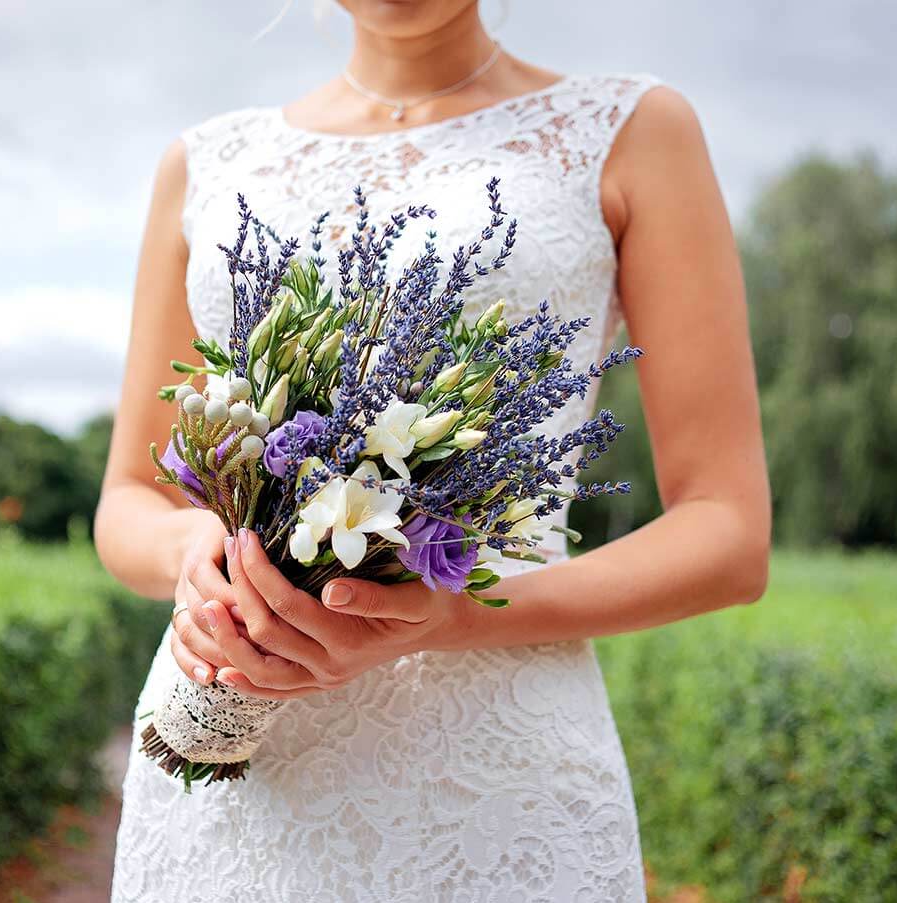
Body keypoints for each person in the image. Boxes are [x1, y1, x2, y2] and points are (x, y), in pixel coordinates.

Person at [96, 1, 770, 899]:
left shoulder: (632, 132)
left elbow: (727, 531)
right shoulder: (206, 164)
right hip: (234, 769)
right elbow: (130, 499)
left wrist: (455, 615)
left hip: (495, 778)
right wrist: (200, 553)